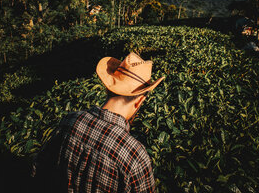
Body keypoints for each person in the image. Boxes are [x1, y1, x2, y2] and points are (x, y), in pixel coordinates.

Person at [32, 52, 165, 192]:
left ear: (109, 87)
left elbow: (39, 169)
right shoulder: (135, 156)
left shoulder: (70, 121)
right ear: (139, 101)